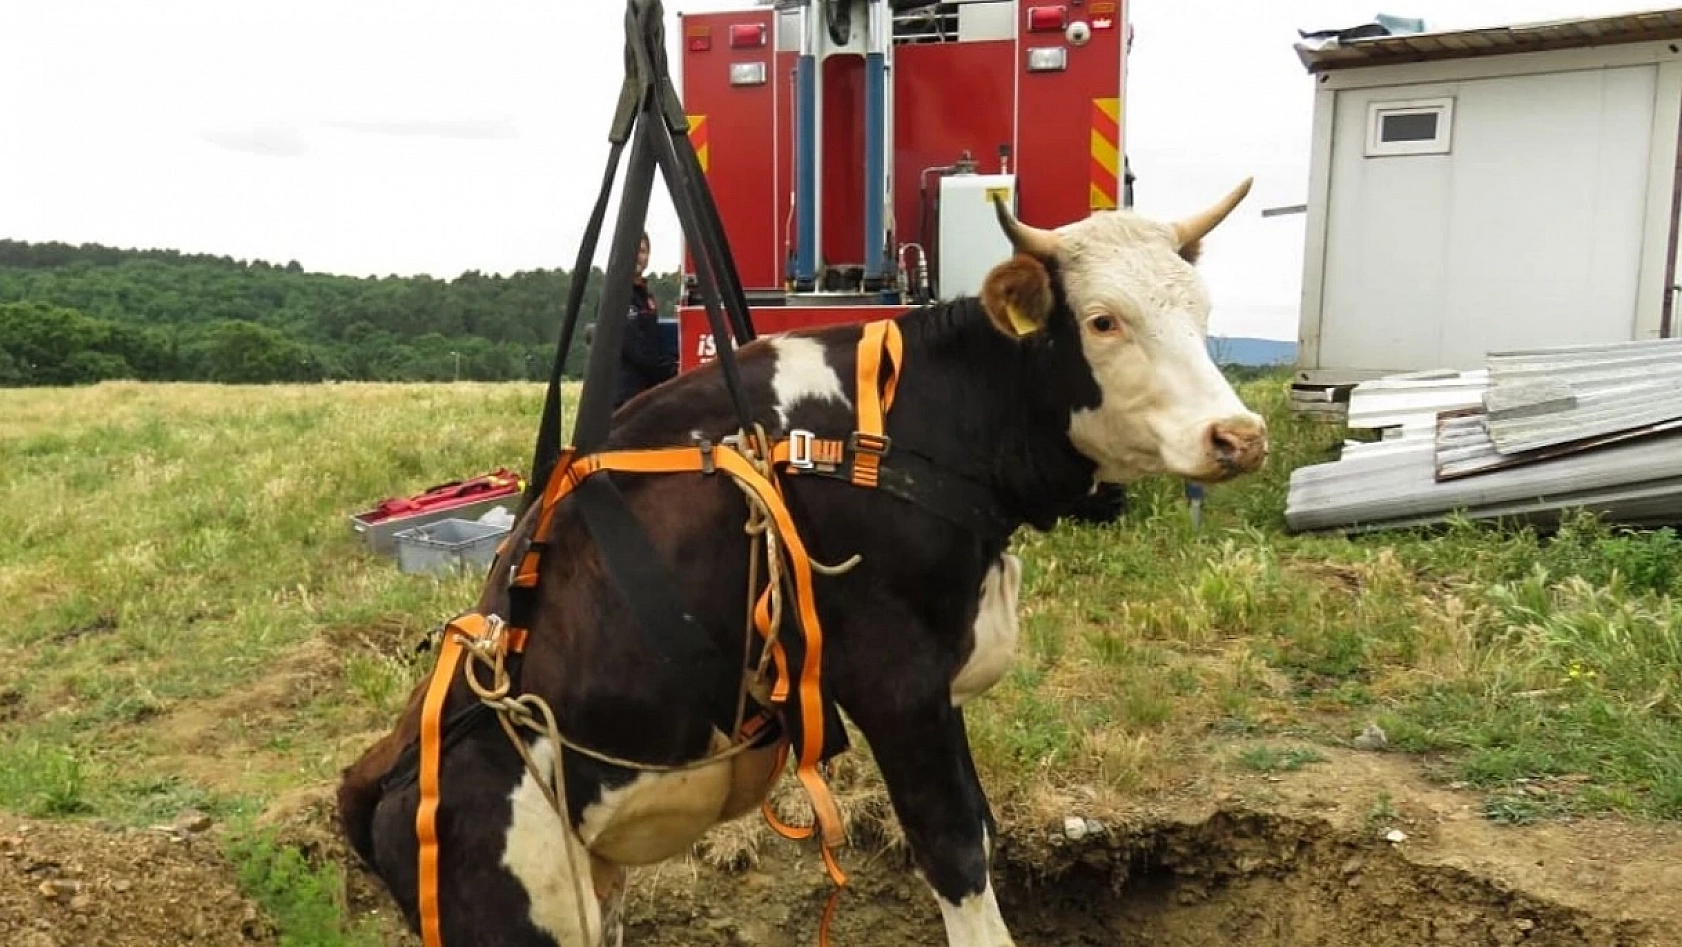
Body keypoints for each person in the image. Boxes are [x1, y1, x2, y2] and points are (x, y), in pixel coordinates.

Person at [613, 231, 676, 408]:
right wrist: (669, 372)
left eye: (641, 251)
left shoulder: (646, 297)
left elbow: (653, 341)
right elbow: (635, 348)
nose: (637, 256)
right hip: (622, 397)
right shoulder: (617, 295)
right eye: (632, 250)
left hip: (644, 395)